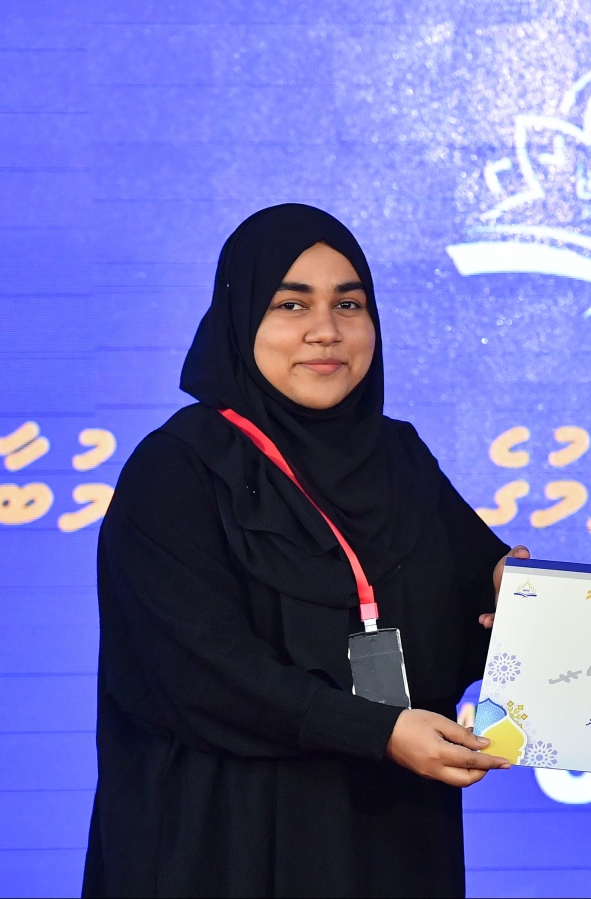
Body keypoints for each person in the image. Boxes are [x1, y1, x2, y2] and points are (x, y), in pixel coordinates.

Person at [84, 203, 525, 897]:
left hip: (390, 839)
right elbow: (205, 674)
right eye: (291, 305)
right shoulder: (178, 469)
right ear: (240, 320)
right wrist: (379, 731)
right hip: (224, 844)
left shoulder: (398, 457)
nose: (326, 330)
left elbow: (473, 607)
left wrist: (516, 601)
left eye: (348, 304)